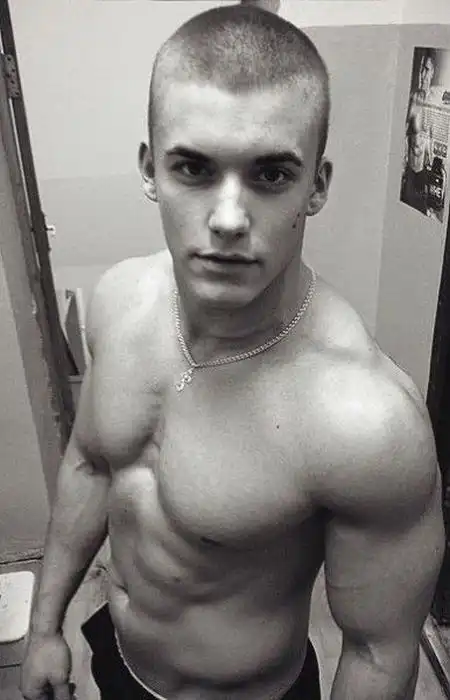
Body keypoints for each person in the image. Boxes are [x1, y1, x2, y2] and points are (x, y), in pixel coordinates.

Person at [21, 3, 445, 700]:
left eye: (271, 175)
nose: (226, 219)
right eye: (193, 167)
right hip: (117, 659)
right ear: (150, 169)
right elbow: (90, 463)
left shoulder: (367, 423)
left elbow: (377, 652)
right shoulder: (120, 302)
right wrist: (44, 629)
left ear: (317, 186)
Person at [401, 50, 436, 214]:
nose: (422, 75)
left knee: (424, 213)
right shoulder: (413, 99)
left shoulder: (435, 102)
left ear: (433, 72)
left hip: (424, 171)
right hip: (410, 169)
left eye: (426, 70)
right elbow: (402, 134)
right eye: (421, 69)